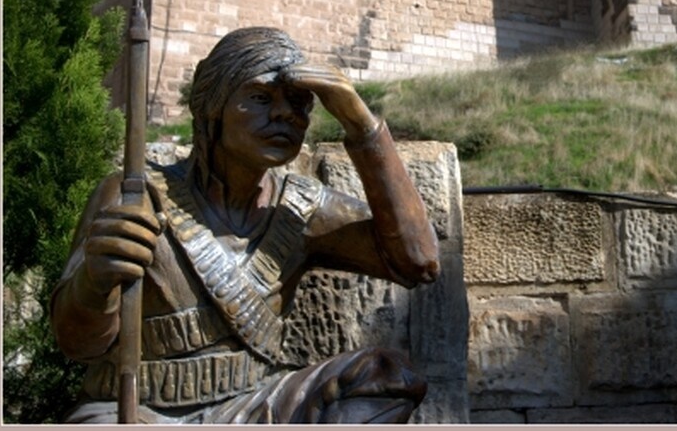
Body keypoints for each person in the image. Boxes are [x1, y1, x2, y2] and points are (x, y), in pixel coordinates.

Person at [51, 26, 441, 424]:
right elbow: (77, 344)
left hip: (256, 408)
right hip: (143, 411)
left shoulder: (300, 208)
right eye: (259, 98)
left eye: (299, 103)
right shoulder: (135, 195)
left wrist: (359, 123)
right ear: (214, 106)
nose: (283, 114)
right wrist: (95, 283)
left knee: (389, 378)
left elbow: (419, 262)